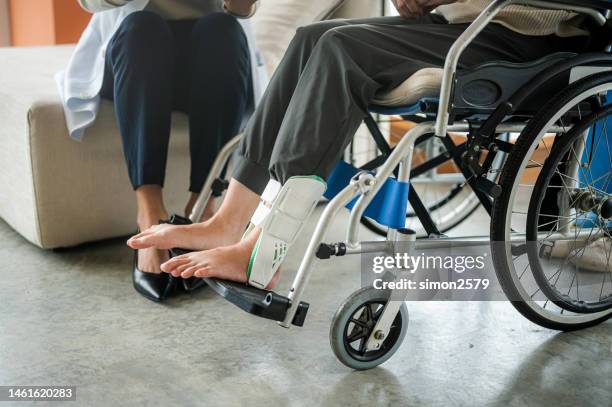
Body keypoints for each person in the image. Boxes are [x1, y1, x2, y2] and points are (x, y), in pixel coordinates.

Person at [127, 0, 592, 289]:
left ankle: (262, 248)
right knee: (312, 38)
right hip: (461, 23)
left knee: (340, 51)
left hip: (525, 37)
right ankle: (228, 221)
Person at [57, 0, 265, 301]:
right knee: (143, 28)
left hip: (206, 61)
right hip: (133, 55)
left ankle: (203, 211)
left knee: (223, 29)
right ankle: (150, 216)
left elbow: (241, 10)